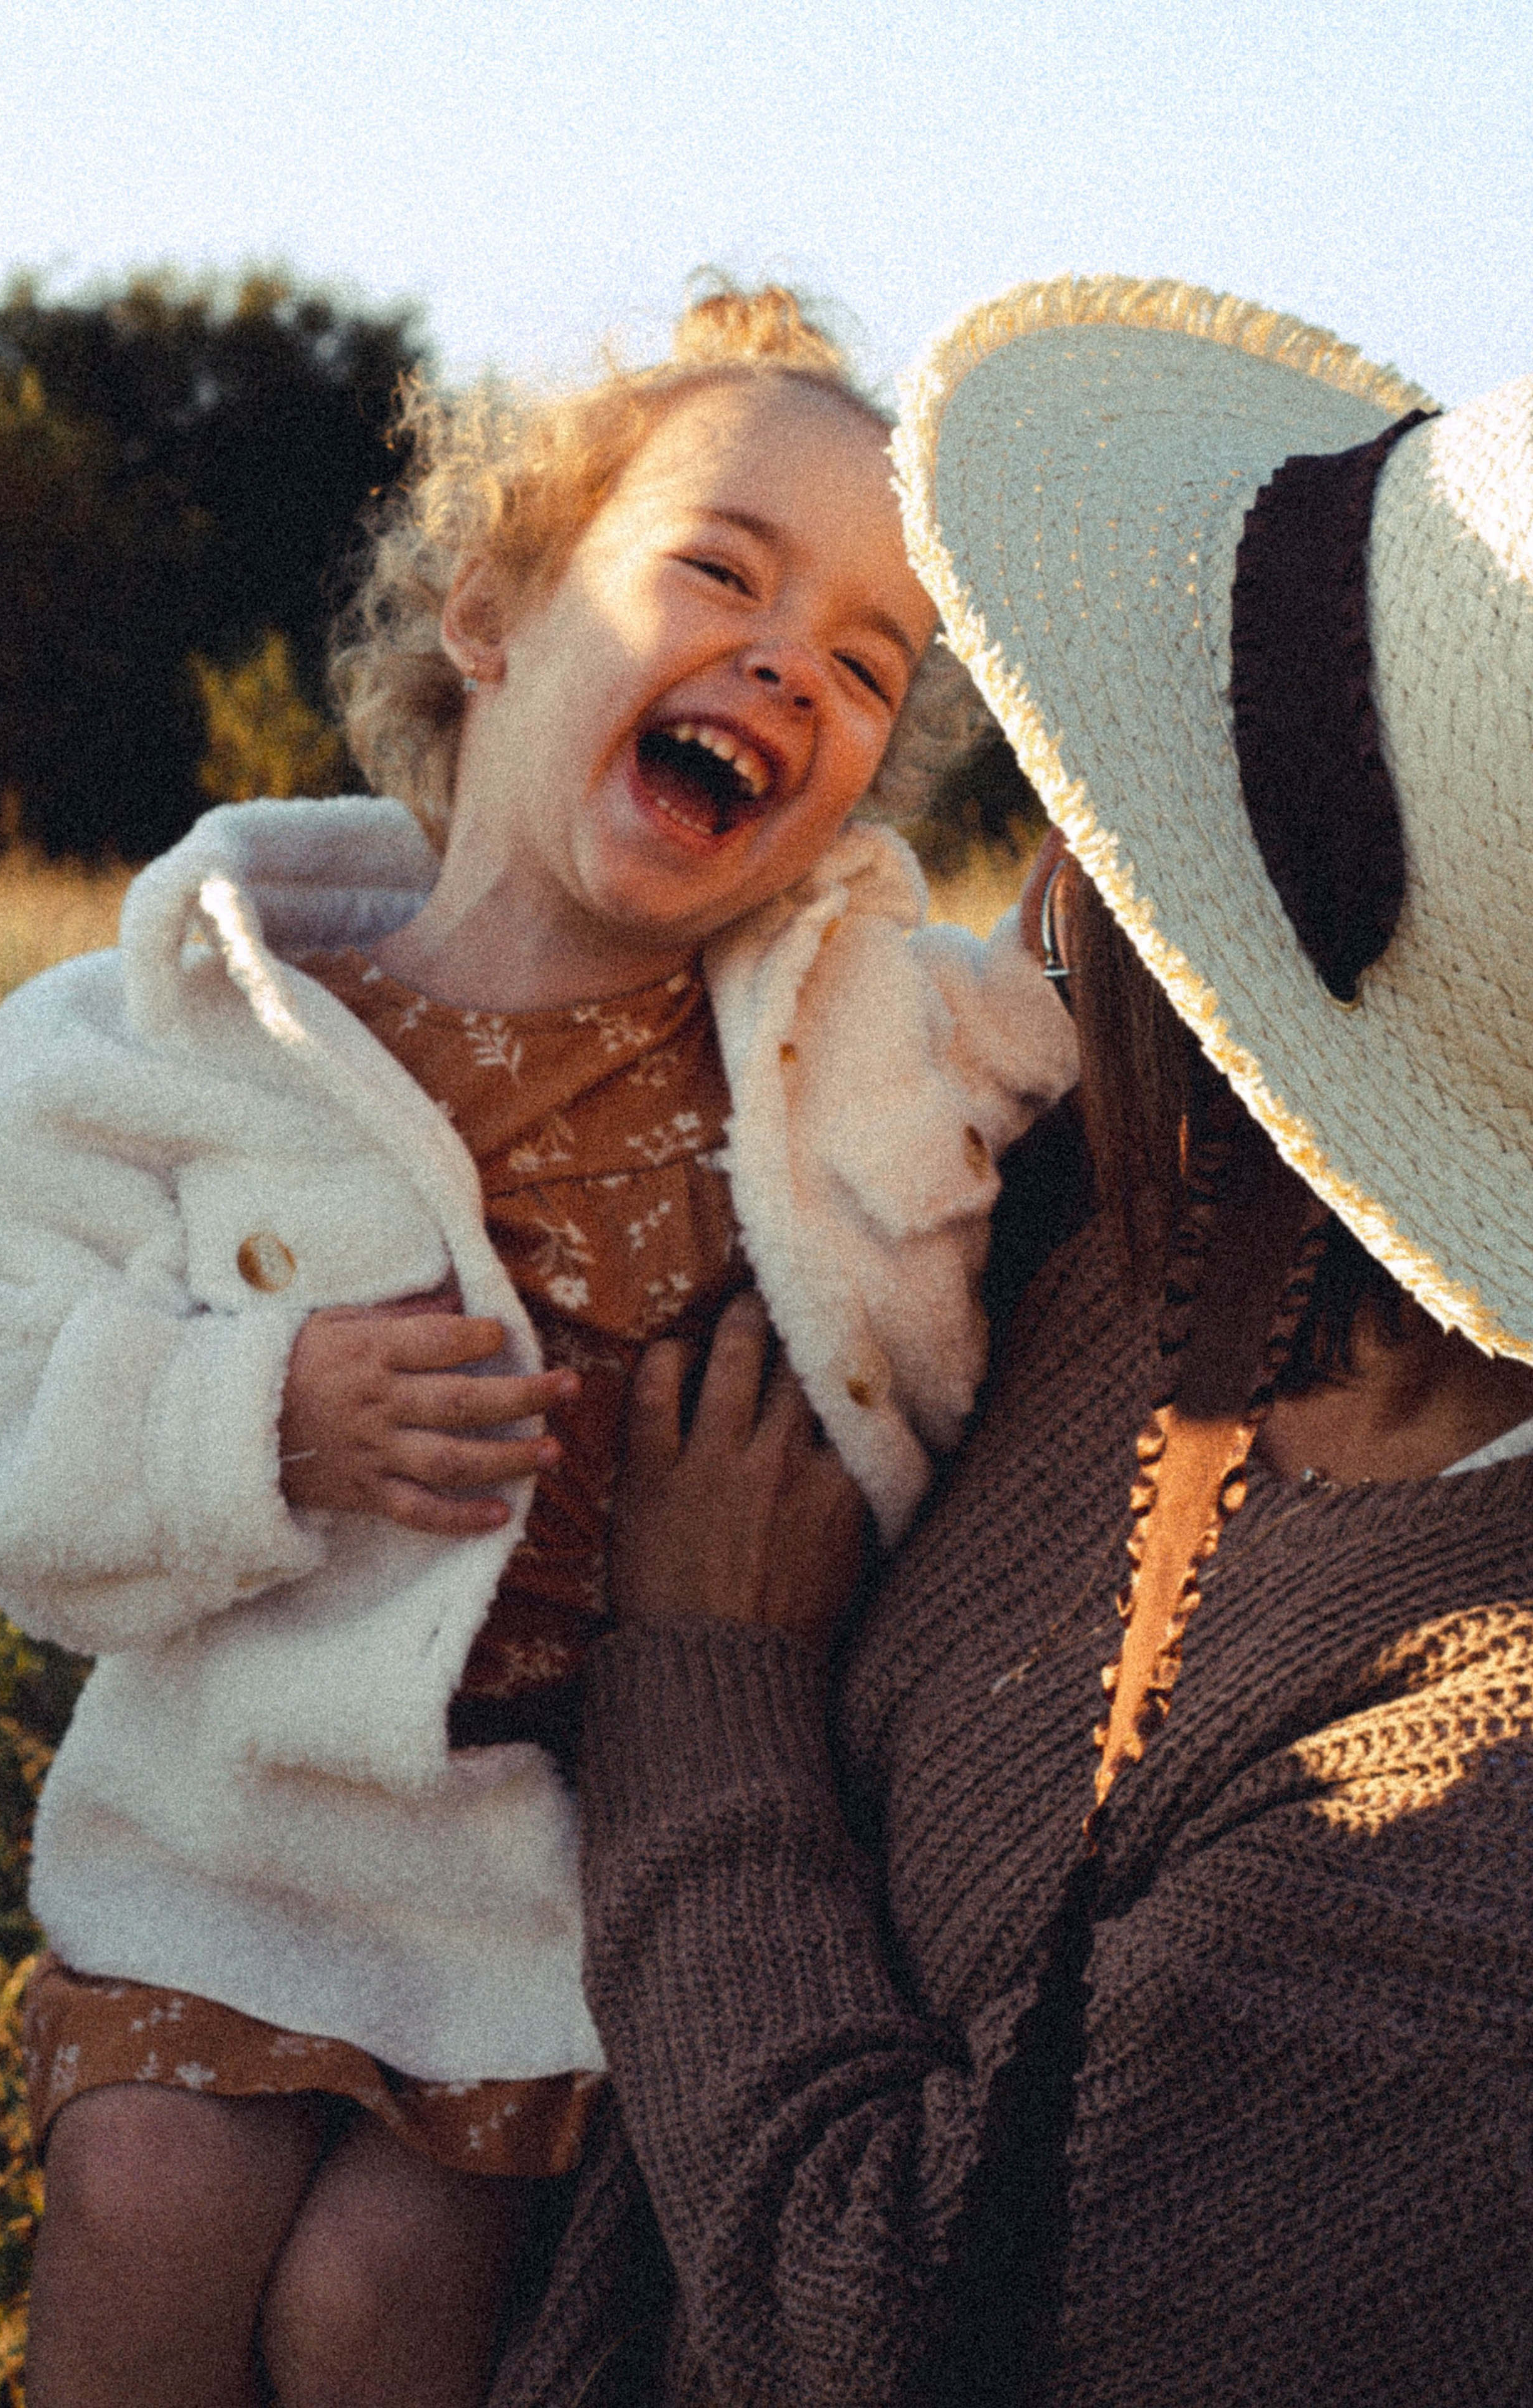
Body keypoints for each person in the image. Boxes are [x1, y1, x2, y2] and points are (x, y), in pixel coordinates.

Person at [0, 287, 1075, 2407]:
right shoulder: (202, 1029)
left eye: (861, 663)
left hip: (556, 1867)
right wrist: (245, 1413)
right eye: (719, 573)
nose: (781, 662)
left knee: (385, 2305)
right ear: (492, 615)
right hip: (236, 1825)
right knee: (154, 2200)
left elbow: (1083, 993)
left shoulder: (847, 1036)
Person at [489, 275, 1533, 2405]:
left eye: (1137, 834)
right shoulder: (1100, 1227)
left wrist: (705, 1679)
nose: (1057, 865)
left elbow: (899, 2327)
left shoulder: (1473, 1807)